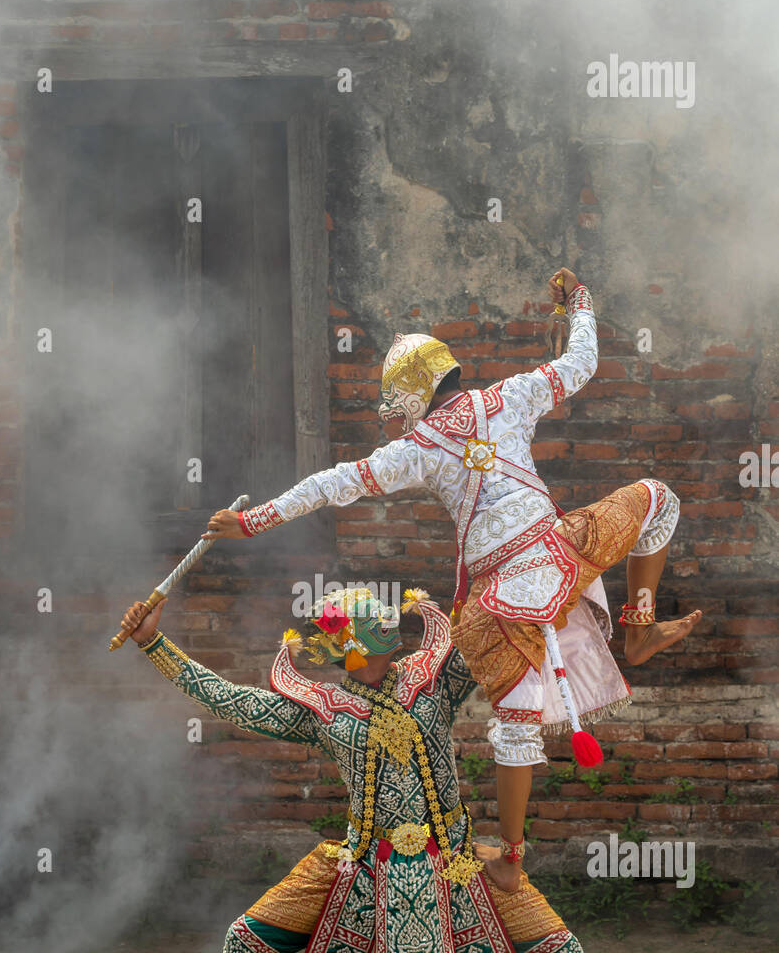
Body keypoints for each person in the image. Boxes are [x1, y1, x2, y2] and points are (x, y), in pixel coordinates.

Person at [203, 268, 701, 891]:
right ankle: (639, 625)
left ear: (412, 395)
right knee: (659, 500)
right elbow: (582, 361)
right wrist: (579, 300)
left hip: (500, 592)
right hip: (560, 549)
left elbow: (331, 485)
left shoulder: (415, 447)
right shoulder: (510, 395)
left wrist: (252, 520)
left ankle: (513, 861)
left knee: (517, 720)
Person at [120, 586, 603, 953]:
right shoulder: (324, 710)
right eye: (350, 632)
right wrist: (154, 643)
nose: (364, 641)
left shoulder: (434, 683)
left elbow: (493, 635)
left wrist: (535, 578)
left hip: (459, 859)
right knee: (245, 946)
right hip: (360, 862)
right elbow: (231, 700)